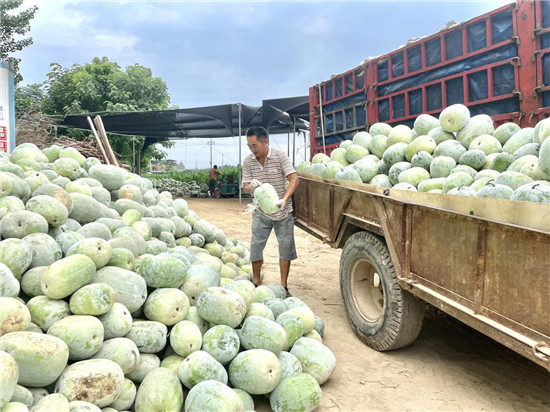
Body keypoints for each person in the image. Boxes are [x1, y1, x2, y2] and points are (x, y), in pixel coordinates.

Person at [242, 126, 299, 295]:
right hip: (261, 212)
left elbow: (294, 179)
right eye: (249, 146)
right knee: (256, 246)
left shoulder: (279, 156)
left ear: (265, 142)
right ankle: (256, 282)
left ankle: (283, 286)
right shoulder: (248, 161)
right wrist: (250, 188)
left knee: (286, 247)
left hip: (282, 211)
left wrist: (285, 199)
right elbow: (245, 186)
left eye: (255, 146)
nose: (252, 150)